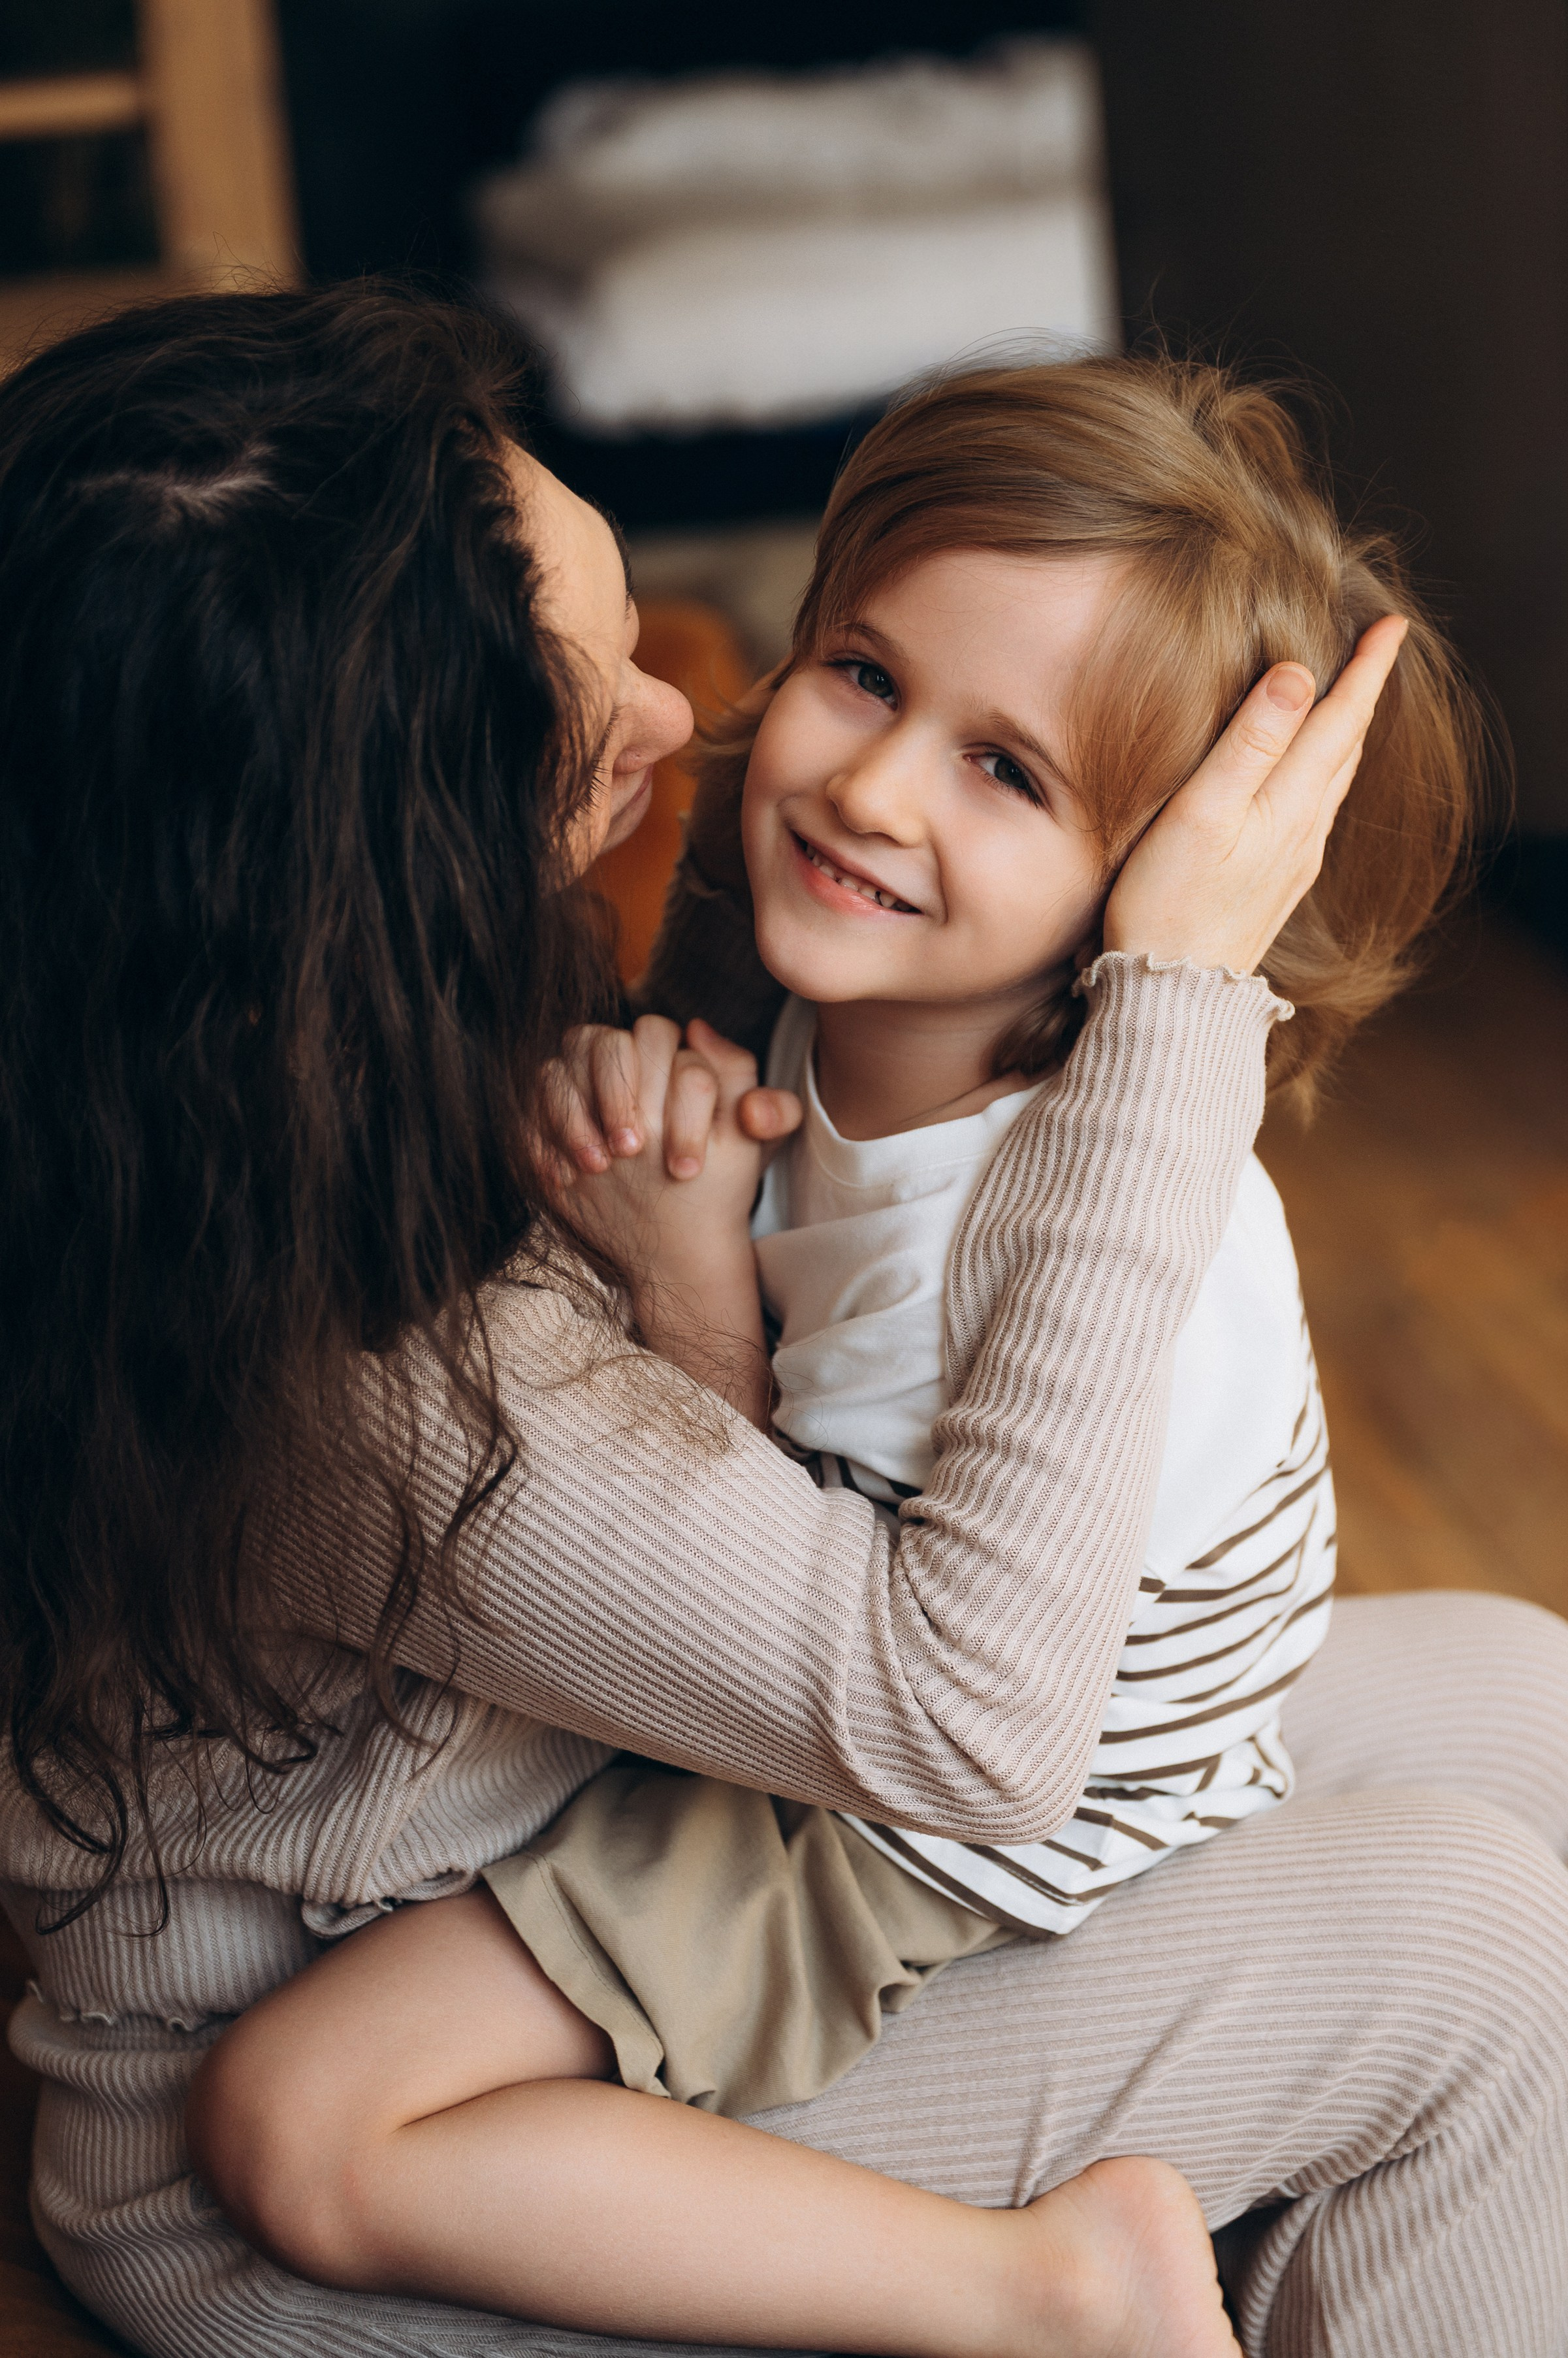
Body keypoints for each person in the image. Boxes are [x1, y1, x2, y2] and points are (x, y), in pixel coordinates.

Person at [0, 285, 1564, 2358]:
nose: (688, 713)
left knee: (1513, 1697)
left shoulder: (249, 1056)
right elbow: (961, 1724)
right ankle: (1064, 2300)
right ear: (389, 857)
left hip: (629, 1819)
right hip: (338, 2149)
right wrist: (1177, 988)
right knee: (1462, 1950)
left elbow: (713, 1552)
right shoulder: (368, 1366)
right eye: (595, 704)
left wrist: (685, 1268)